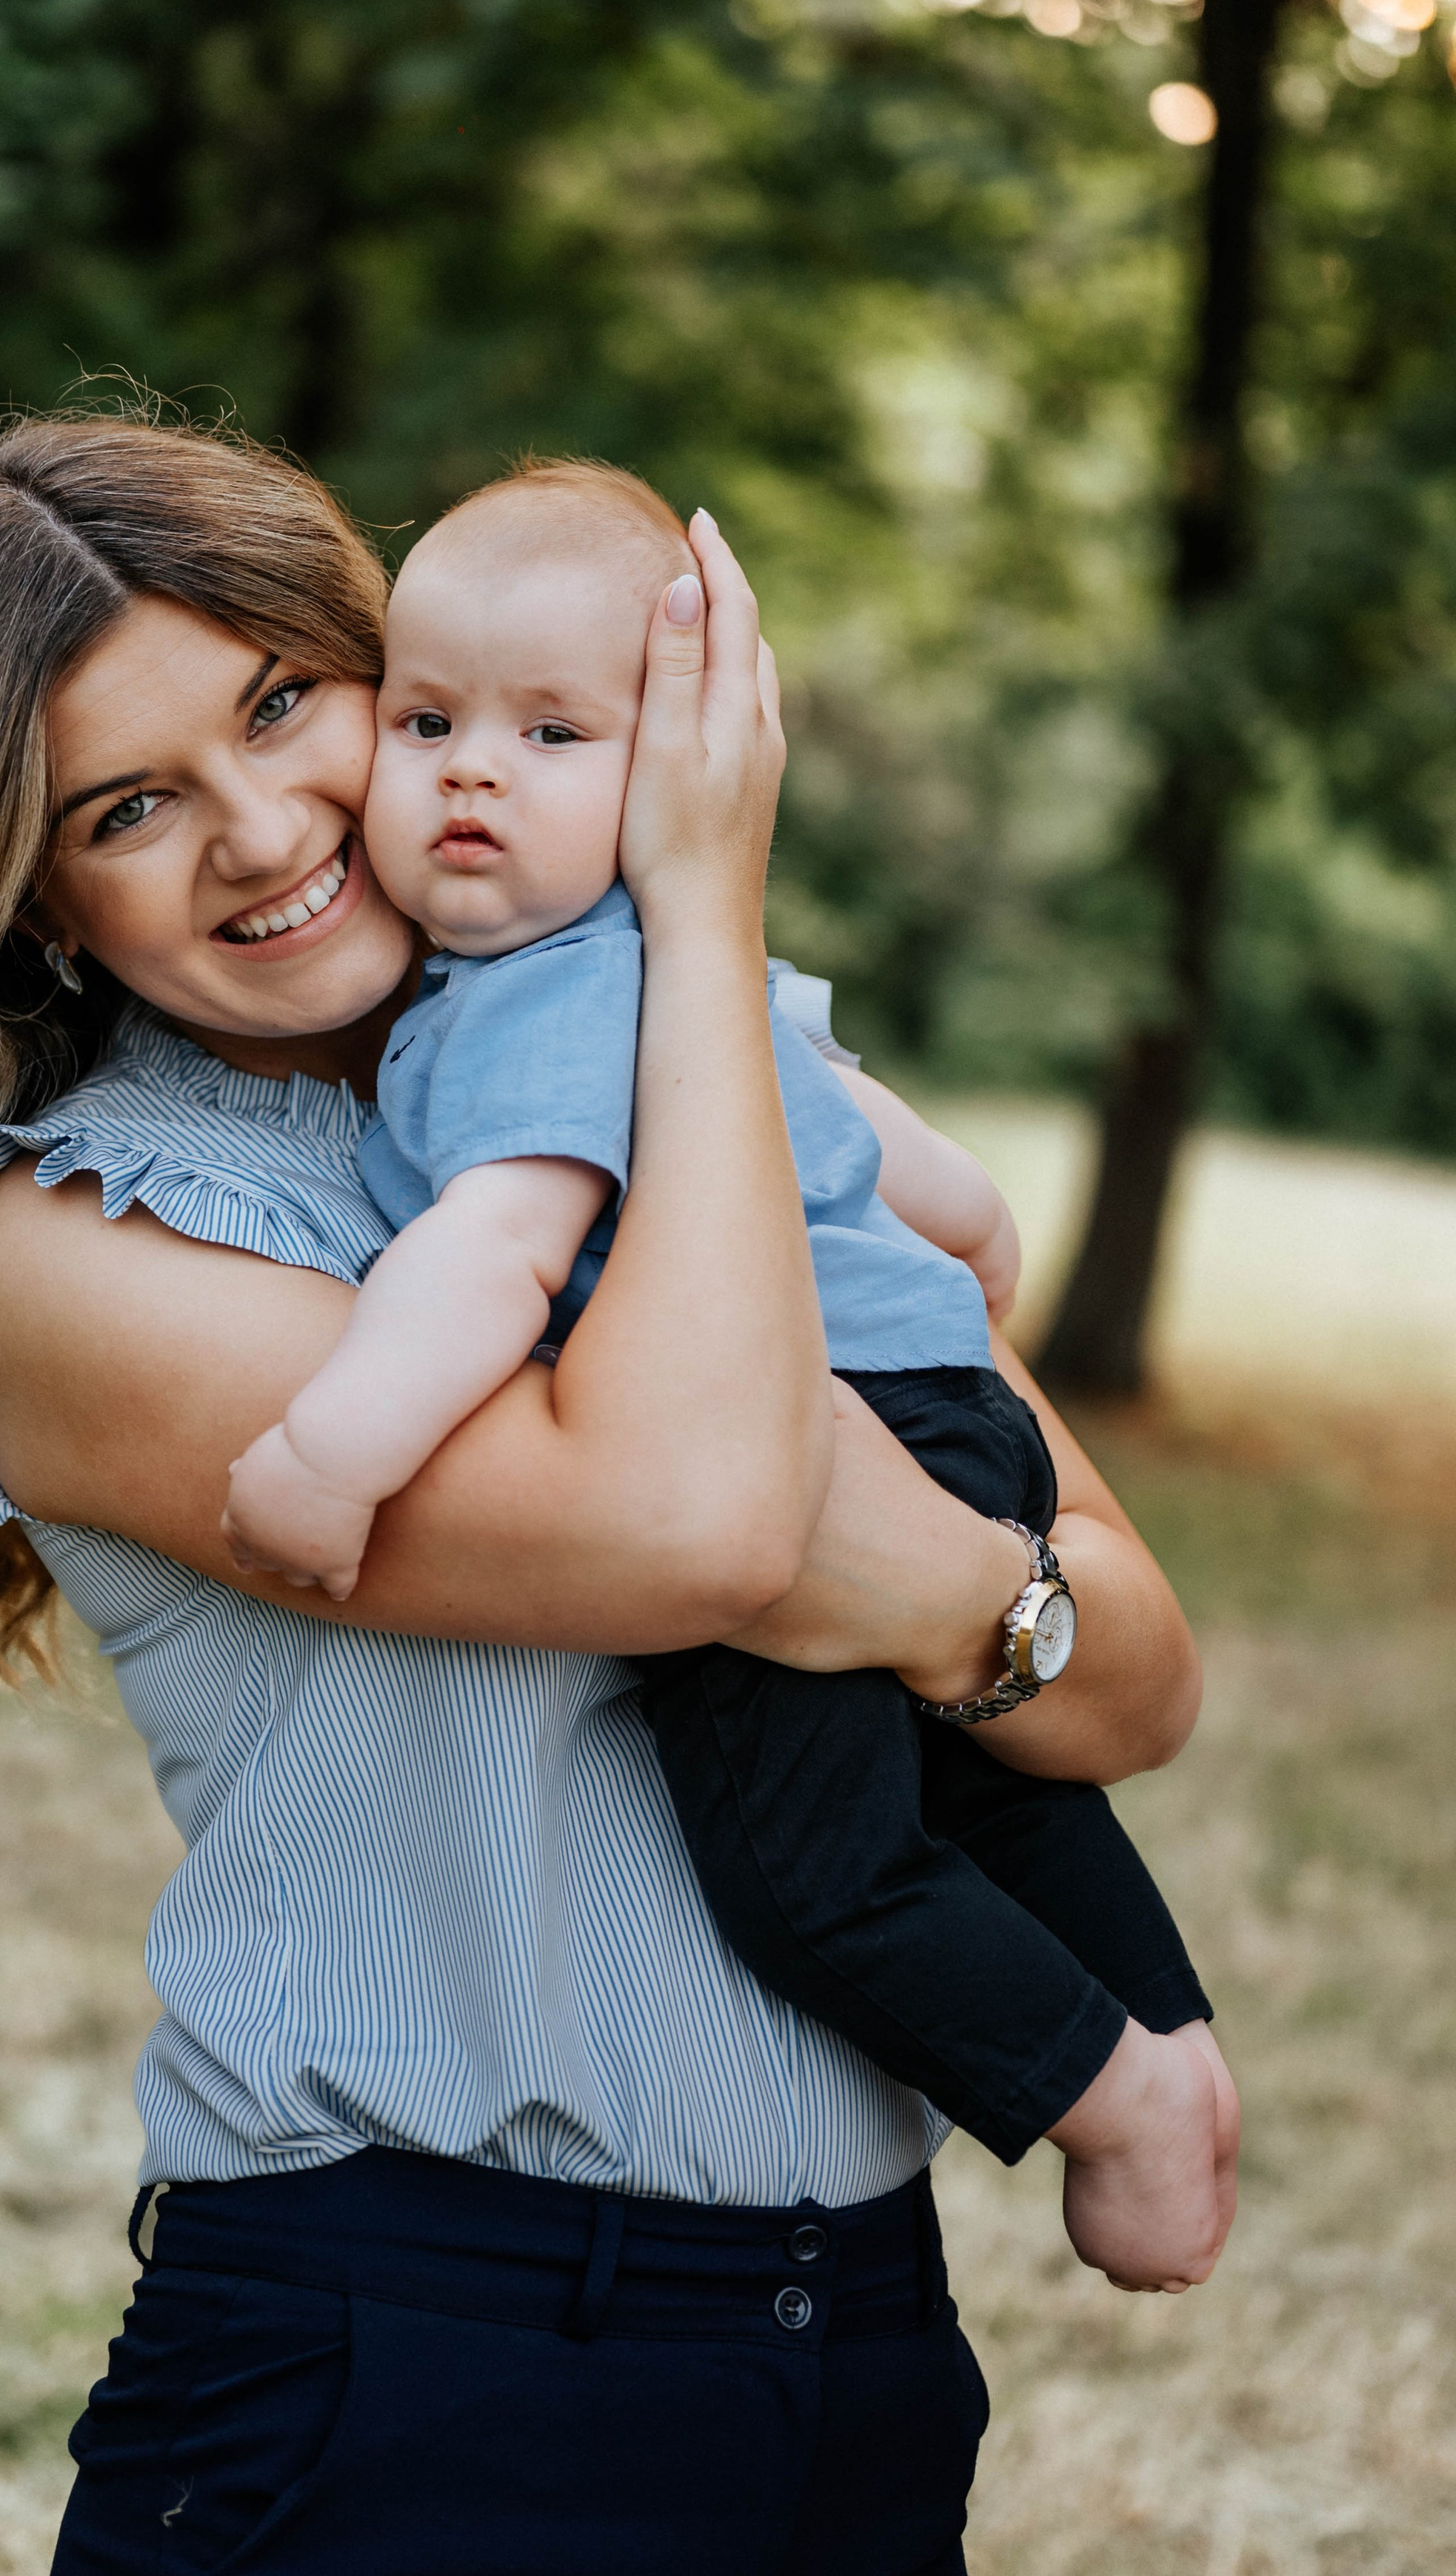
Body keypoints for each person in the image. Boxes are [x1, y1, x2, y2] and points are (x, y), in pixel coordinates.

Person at [0, 411, 1233, 2575]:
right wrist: (703, 907)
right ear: (27, 890)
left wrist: (940, 1588)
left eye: (285, 702)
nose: (264, 830)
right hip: (416, 2352)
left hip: (859, 2341)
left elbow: (1136, 1684)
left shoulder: (701, 1058)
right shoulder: (79, 1250)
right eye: (129, 805)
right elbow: (705, 1527)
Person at [218, 457, 1224, 2287]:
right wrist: (975, 1251)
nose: (468, 771)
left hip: (800, 1436)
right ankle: (1169, 2026)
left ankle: (1109, 2094)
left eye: (550, 731)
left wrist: (331, 1449)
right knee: (983, 1781)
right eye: (429, 718)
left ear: (679, 769)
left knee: (807, 1866)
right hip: (944, 1402)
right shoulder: (690, 958)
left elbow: (494, 1252)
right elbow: (893, 1150)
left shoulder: (529, 999)